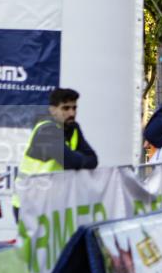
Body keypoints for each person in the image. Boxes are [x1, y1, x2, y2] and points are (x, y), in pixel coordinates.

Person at [12, 87, 99, 219]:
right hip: (30, 203)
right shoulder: (46, 130)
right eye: (66, 108)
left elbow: (93, 160)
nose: (72, 113)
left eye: (74, 108)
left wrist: (78, 160)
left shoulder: (73, 128)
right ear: (52, 110)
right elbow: (71, 162)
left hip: (53, 202)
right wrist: (80, 159)